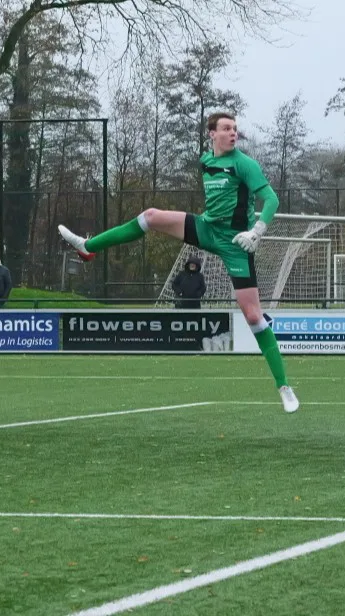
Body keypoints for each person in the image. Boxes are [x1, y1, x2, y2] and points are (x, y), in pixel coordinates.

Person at [57, 111, 298, 413]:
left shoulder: (245, 164)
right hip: (207, 228)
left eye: (235, 128)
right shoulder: (206, 160)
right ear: (212, 133)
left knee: (252, 317)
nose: (233, 133)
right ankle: (88, 247)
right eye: (226, 128)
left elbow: (271, 200)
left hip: (237, 243)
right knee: (150, 216)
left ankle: (284, 386)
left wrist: (257, 231)